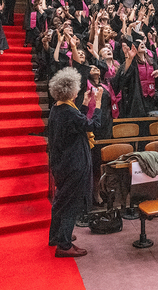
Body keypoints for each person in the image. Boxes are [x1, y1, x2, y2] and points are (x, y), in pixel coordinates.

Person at [46, 67, 102, 257]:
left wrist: (86, 103)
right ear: (70, 91)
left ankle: (56, 235)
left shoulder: (59, 107)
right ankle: (64, 244)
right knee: (71, 203)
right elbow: (92, 125)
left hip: (62, 163)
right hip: (73, 164)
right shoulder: (68, 112)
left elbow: (78, 120)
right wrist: (98, 105)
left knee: (61, 200)